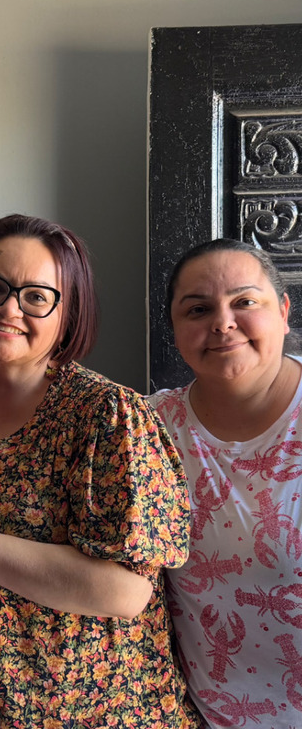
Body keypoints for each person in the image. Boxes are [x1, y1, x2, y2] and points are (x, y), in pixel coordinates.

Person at [0, 214, 201, 727]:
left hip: (97, 711)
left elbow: (125, 592)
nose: (9, 308)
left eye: (36, 296)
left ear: (68, 316)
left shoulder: (108, 416)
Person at [153, 238, 302, 729]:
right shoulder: (149, 428)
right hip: (206, 717)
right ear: (175, 329)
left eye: (245, 301)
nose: (222, 323)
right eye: (198, 309)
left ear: (283, 311)